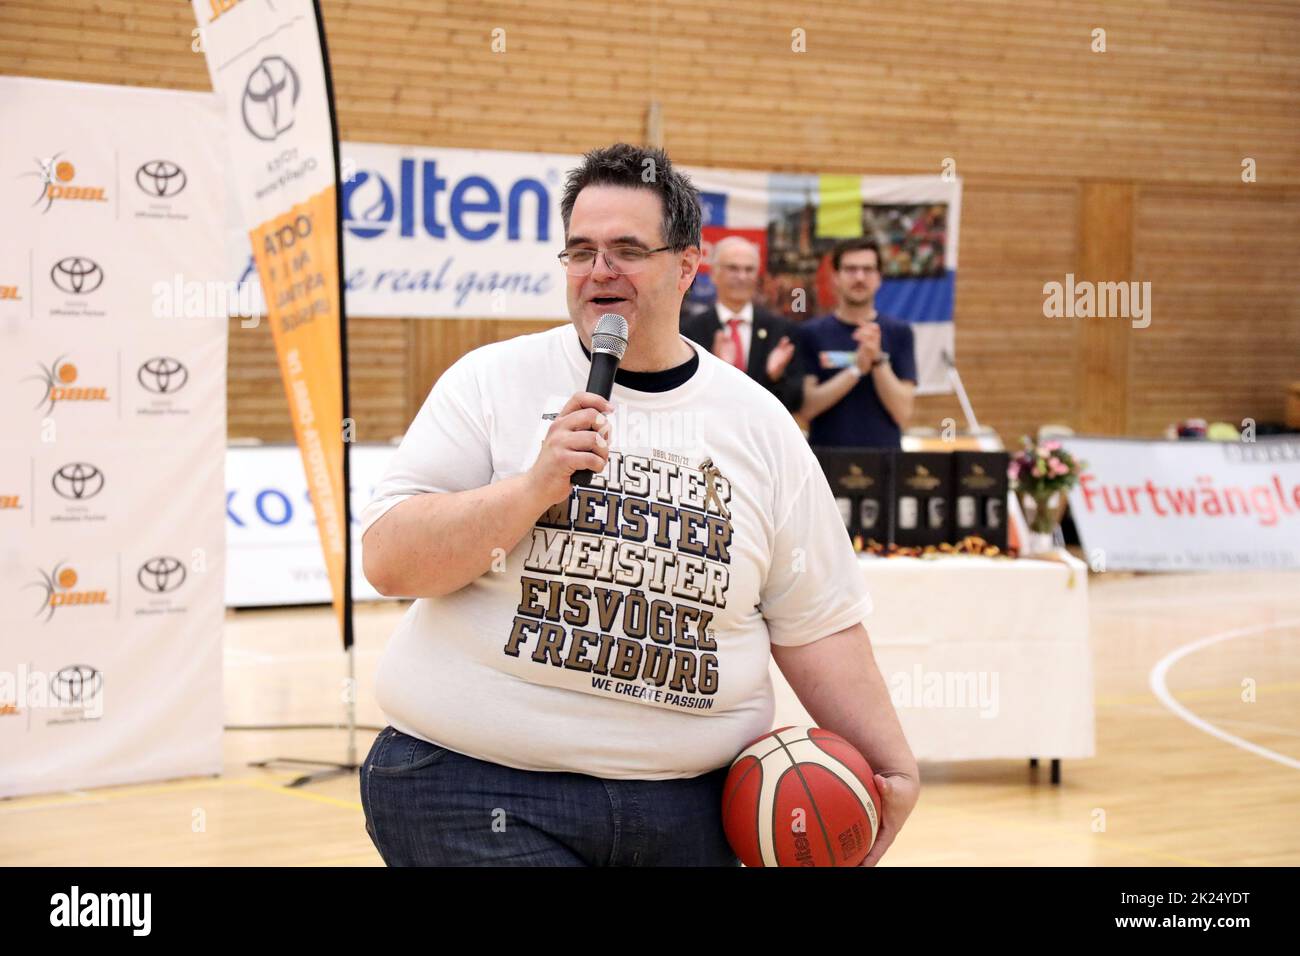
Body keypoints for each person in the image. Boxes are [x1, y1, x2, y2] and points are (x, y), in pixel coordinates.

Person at [359, 143, 918, 867]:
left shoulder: (760, 425)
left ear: (688, 265)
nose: (600, 271)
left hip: (694, 807)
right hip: (473, 790)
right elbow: (389, 559)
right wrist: (530, 490)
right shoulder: (490, 382)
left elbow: (816, 623)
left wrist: (892, 764)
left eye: (627, 249)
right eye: (581, 251)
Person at [798, 239, 918, 447]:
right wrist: (856, 369)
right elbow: (806, 409)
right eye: (851, 269)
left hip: (885, 462)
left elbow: (903, 412)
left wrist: (878, 360)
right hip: (826, 462)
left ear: (879, 278)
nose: (860, 277)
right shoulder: (811, 333)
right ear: (835, 277)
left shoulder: (899, 332)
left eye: (868, 269)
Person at [680, 236, 806, 413]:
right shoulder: (689, 331)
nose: (742, 276)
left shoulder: (781, 331)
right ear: (714, 274)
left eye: (749, 269)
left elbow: (796, 401)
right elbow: (682, 398)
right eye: (733, 268)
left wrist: (775, 377)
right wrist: (718, 370)